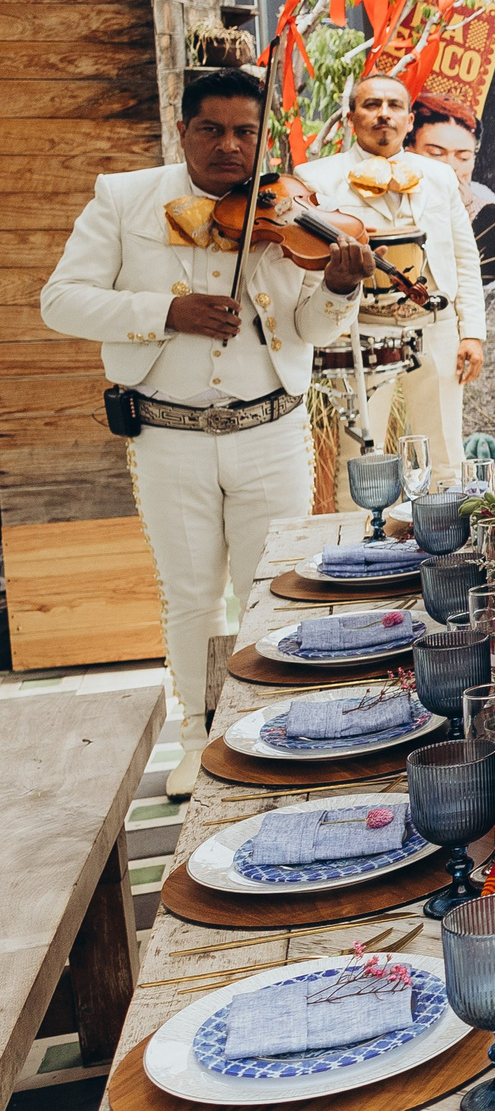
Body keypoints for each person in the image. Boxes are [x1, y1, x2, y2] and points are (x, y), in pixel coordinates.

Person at [40, 67, 369, 796]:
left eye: (246, 131)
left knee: (277, 590)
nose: (230, 146)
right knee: (191, 591)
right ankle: (198, 736)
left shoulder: (295, 209)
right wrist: (166, 311)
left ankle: (276, 725)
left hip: (270, 428)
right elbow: (60, 300)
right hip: (169, 432)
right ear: (183, 126)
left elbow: (311, 325)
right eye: (211, 129)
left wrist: (341, 288)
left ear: (264, 135)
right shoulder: (124, 197)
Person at [300, 73, 486, 497]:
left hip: (435, 327)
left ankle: (448, 551)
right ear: (351, 117)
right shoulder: (315, 178)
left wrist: (472, 331)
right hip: (359, 331)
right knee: (361, 461)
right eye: (371, 105)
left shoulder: (439, 177)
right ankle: (360, 554)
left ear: (408, 118)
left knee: (445, 455)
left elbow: (464, 255)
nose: (383, 113)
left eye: (393, 105)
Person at [411, 102, 495, 286]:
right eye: (436, 153)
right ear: (408, 151)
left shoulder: (494, 219)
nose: (450, 166)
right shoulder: (388, 200)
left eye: (463, 157)